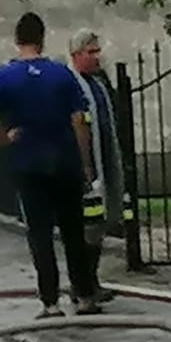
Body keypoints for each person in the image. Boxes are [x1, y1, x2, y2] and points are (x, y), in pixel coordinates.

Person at [0, 13, 101, 317]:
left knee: (40, 233)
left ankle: (50, 302)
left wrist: (4, 138)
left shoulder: (6, 76)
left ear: (17, 40)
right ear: (42, 39)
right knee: (73, 231)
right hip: (65, 162)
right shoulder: (61, 74)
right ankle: (84, 297)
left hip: (28, 163)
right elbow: (79, 120)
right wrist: (85, 163)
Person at [68, 30, 134, 304]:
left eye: (98, 51)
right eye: (91, 52)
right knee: (87, 227)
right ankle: (81, 285)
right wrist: (85, 166)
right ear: (76, 54)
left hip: (104, 163)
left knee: (98, 226)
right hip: (85, 169)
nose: (97, 56)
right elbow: (76, 124)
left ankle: (90, 281)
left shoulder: (98, 84)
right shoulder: (71, 84)